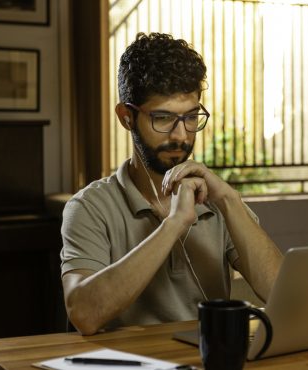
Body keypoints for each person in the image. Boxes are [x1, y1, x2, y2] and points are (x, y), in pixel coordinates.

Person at [60, 32, 283, 335]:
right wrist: (174, 224)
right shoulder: (90, 207)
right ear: (126, 116)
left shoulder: (219, 200)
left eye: (191, 117)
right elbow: (83, 314)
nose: (181, 135)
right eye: (163, 118)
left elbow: (280, 294)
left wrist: (230, 201)